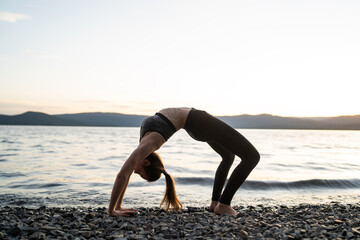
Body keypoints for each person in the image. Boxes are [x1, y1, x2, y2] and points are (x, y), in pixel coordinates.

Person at [108, 107, 260, 216]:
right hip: (199, 122)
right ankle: (224, 204)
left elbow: (124, 175)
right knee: (252, 157)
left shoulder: (146, 144)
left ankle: (215, 203)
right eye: (139, 173)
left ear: (146, 163)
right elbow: (124, 175)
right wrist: (114, 209)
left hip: (197, 124)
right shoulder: (150, 144)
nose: (134, 171)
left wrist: (116, 207)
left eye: (139, 172)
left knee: (228, 157)